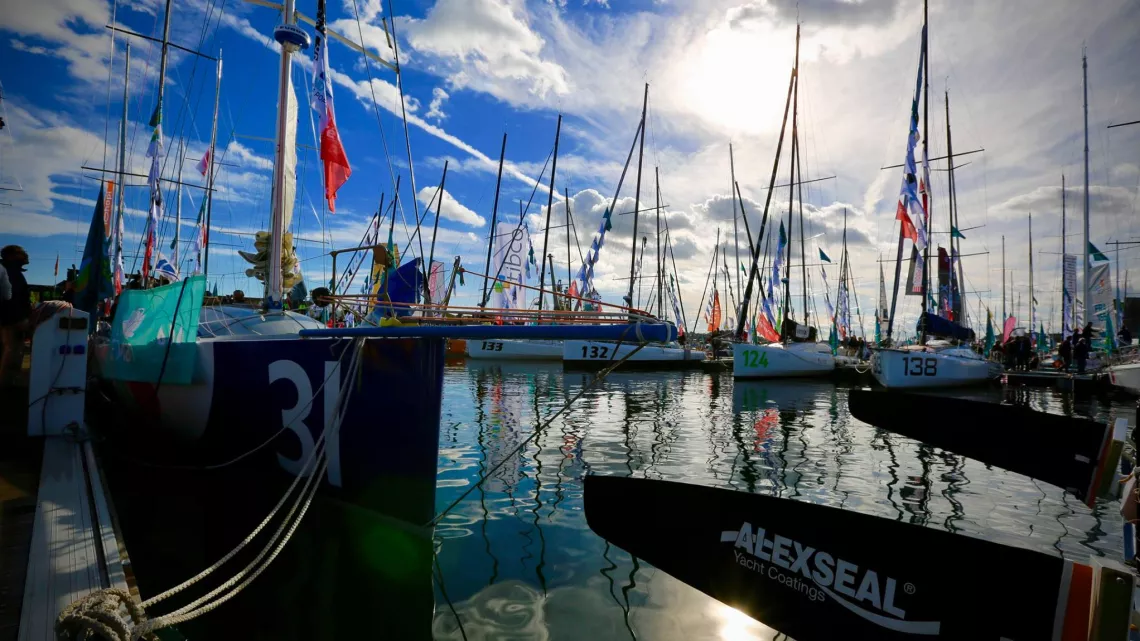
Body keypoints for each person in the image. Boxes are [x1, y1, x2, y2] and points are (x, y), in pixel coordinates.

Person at [1, 245, 32, 385]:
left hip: (12, 320)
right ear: (11, 256)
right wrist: (19, 320)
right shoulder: (9, 273)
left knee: (12, 350)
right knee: (10, 350)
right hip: (11, 321)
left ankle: (9, 381)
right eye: (21, 253)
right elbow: (10, 299)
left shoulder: (11, 272)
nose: (25, 255)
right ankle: (6, 384)